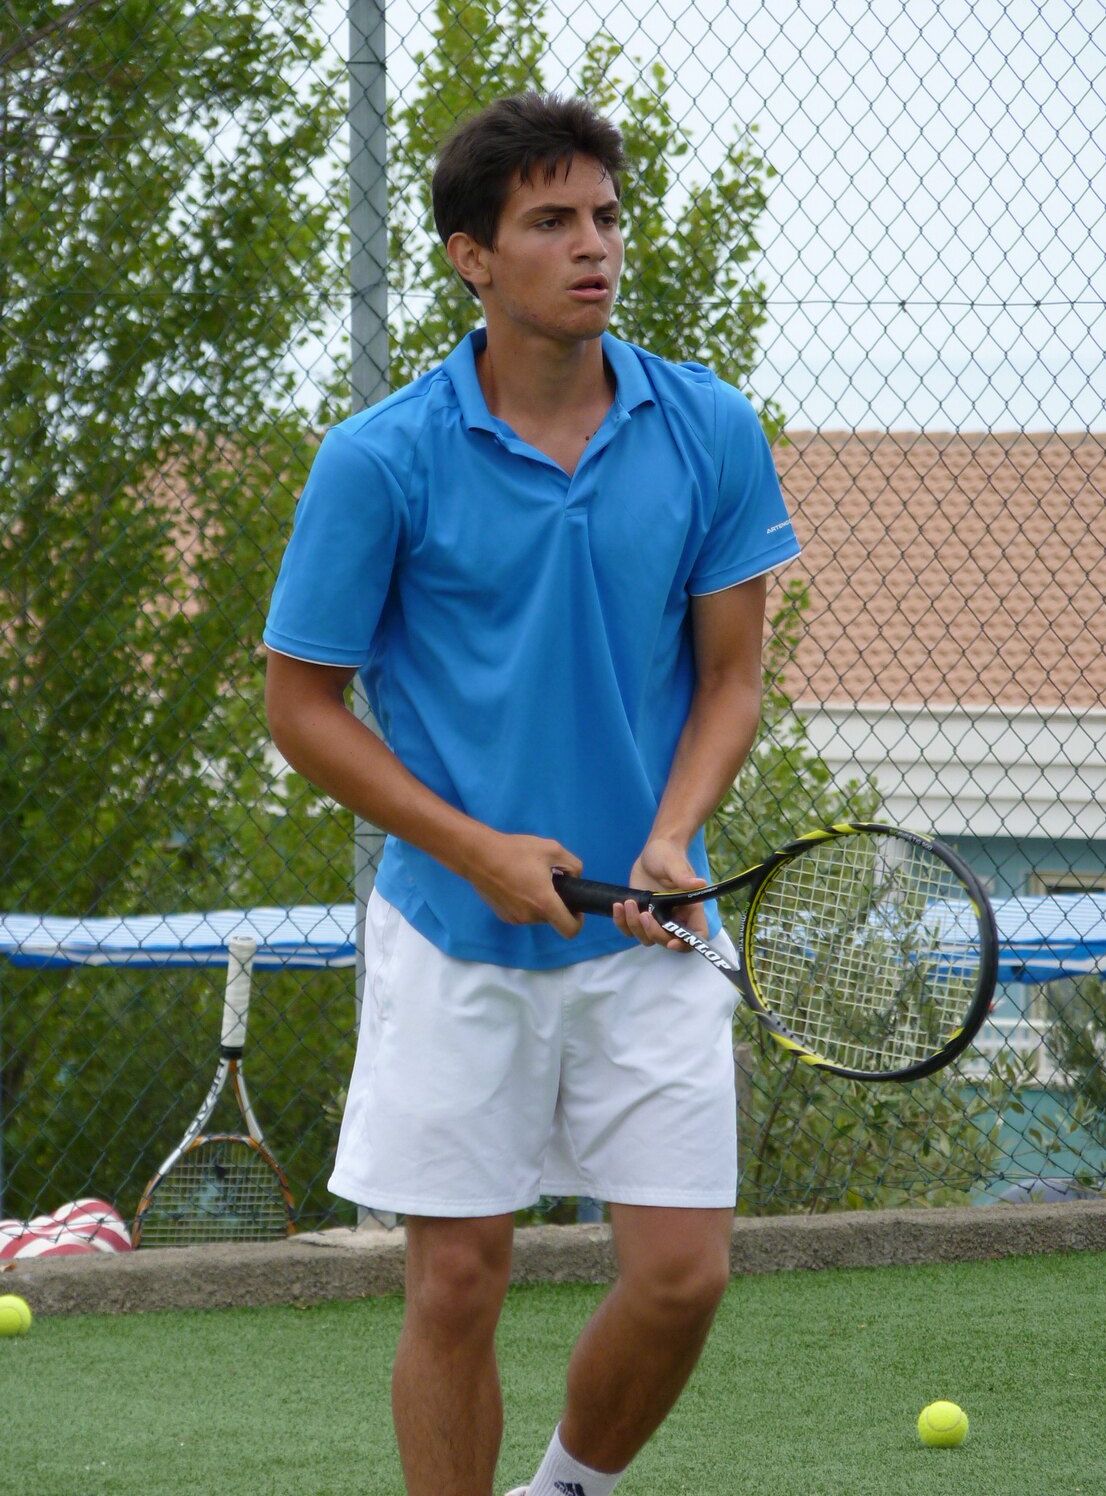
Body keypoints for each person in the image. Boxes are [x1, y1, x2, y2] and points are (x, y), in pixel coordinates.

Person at [263, 91, 800, 1496]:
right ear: (472, 258)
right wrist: (476, 851)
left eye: (606, 217)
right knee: (456, 1283)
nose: (593, 246)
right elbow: (300, 709)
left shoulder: (709, 427)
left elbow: (733, 678)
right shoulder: (378, 459)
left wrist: (672, 832)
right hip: (453, 933)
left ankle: (564, 1490)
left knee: (682, 1276)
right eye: (551, 221)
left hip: (655, 929)